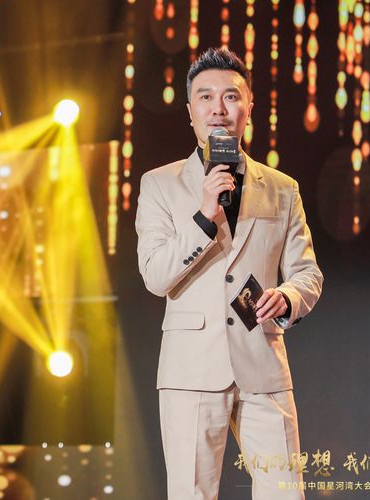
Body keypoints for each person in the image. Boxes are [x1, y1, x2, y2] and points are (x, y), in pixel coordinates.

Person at [135, 48, 323, 499]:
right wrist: (204, 216)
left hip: (263, 364)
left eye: (231, 96)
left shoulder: (282, 189)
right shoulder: (159, 184)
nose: (218, 108)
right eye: (206, 97)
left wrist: (288, 298)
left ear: (249, 108)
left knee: (285, 492)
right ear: (190, 111)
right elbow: (155, 275)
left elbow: (307, 272)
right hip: (191, 369)